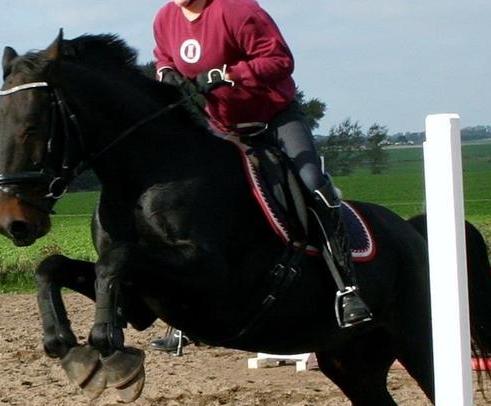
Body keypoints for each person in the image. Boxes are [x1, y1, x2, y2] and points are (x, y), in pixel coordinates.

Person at [152, 0, 372, 327]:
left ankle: (347, 289)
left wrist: (230, 74)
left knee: (312, 184)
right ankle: (184, 318)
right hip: (224, 128)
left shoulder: (237, 10)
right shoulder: (165, 18)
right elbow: (163, 56)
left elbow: (281, 61)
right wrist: (166, 73)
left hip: (275, 119)